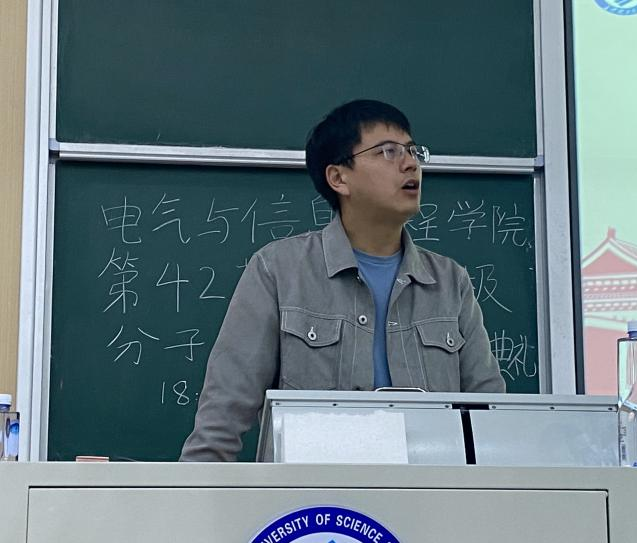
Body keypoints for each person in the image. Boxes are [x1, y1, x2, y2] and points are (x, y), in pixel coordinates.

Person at [180, 99, 505, 461]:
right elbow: (222, 416)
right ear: (338, 178)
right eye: (388, 151)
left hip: (430, 492)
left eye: (413, 151)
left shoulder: (449, 282)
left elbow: (491, 419)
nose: (410, 163)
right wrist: (196, 490)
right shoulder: (278, 271)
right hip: (311, 495)